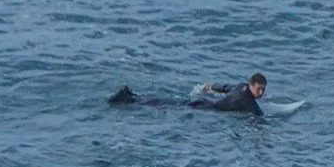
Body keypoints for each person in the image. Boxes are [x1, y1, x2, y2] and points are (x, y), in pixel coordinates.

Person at [106, 73, 266, 113]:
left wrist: (208, 86)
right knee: (166, 106)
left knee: (169, 102)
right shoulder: (248, 100)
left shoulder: (241, 86)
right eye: (259, 89)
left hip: (204, 100)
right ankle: (129, 99)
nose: (261, 92)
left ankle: (133, 96)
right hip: (205, 107)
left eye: (263, 89)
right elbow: (258, 116)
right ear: (251, 85)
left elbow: (223, 87)